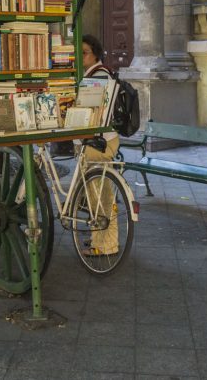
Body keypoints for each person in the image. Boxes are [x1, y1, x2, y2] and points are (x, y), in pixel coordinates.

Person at [79, 34, 120, 257]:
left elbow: (96, 113)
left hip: (99, 142)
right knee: (94, 193)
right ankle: (100, 236)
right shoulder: (94, 74)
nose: (81, 56)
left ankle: (106, 245)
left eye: (84, 52)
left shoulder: (99, 76)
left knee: (100, 195)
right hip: (99, 140)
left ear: (95, 52)